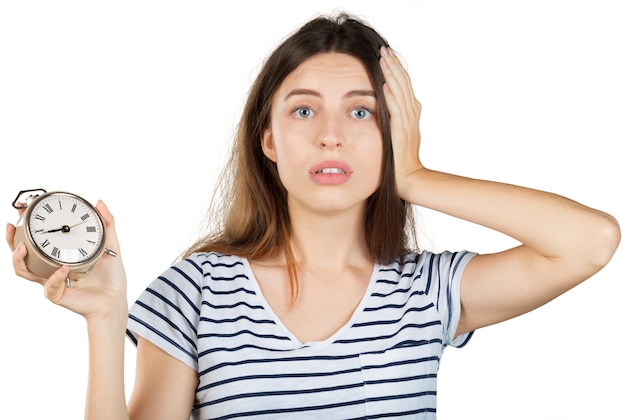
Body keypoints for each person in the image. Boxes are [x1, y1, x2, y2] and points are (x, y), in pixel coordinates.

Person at [6, 12, 620, 420]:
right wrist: (108, 317)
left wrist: (416, 177)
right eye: (303, 111)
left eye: (361, 113)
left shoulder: (427, 292)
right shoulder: (198, 290)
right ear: (268, 139)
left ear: (392, 131)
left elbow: (591, 240)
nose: (331, 136)